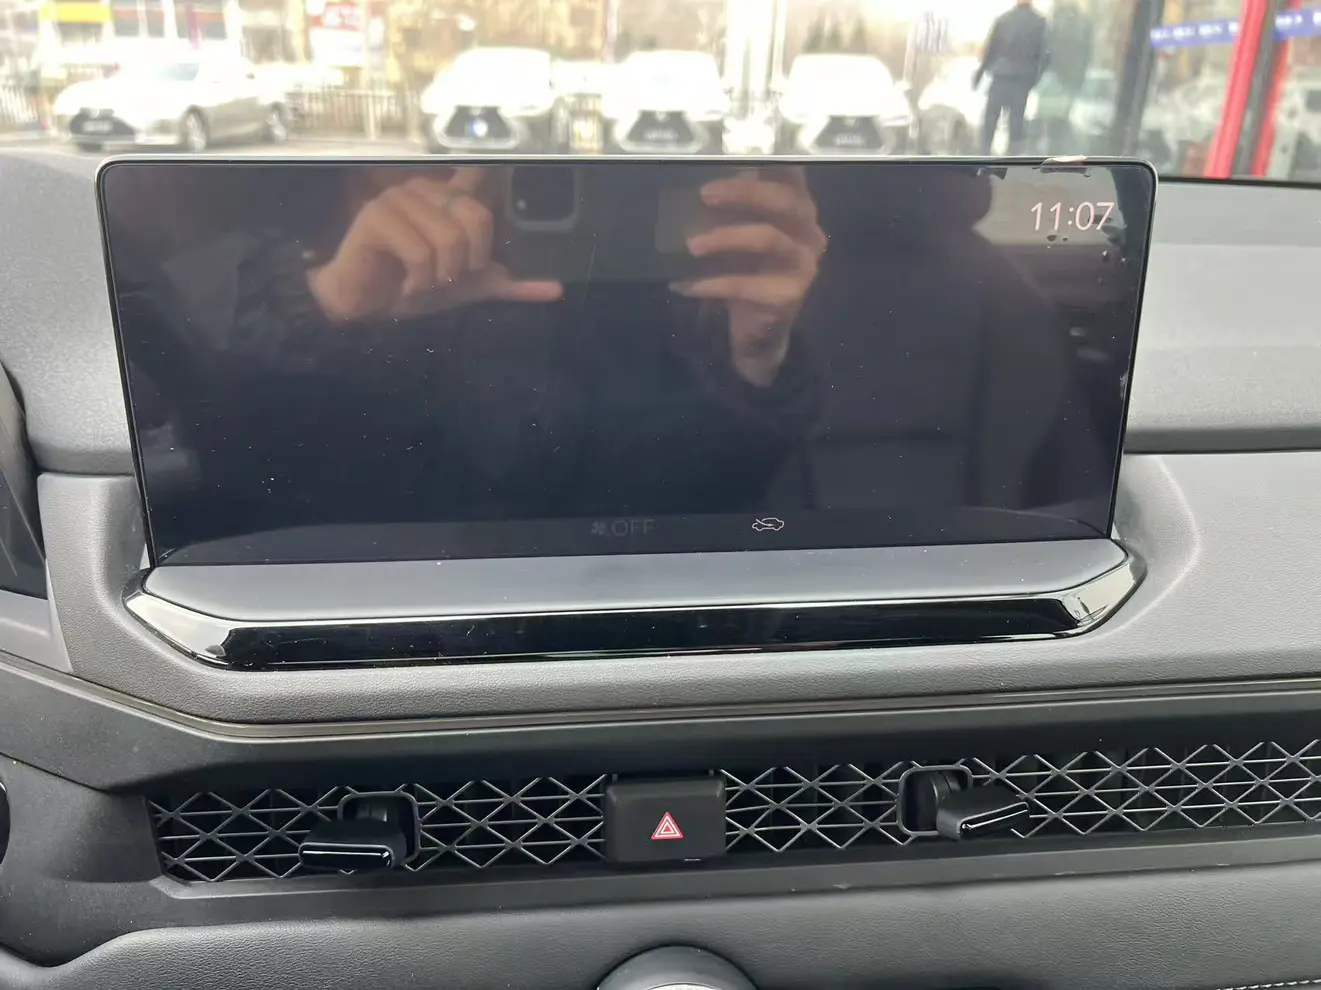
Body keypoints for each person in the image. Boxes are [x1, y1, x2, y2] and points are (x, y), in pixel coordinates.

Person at [974, 0, 1050, 154]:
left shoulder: (1004, 19)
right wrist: (1035, 78)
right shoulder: (1040, 22)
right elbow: (1045, 55)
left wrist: (979, 74)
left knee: (990, 121)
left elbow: (991, 49)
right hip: (1022, 80)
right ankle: (1012, 160)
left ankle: (984, 157)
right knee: (1016, 125)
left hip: (1001, 77)